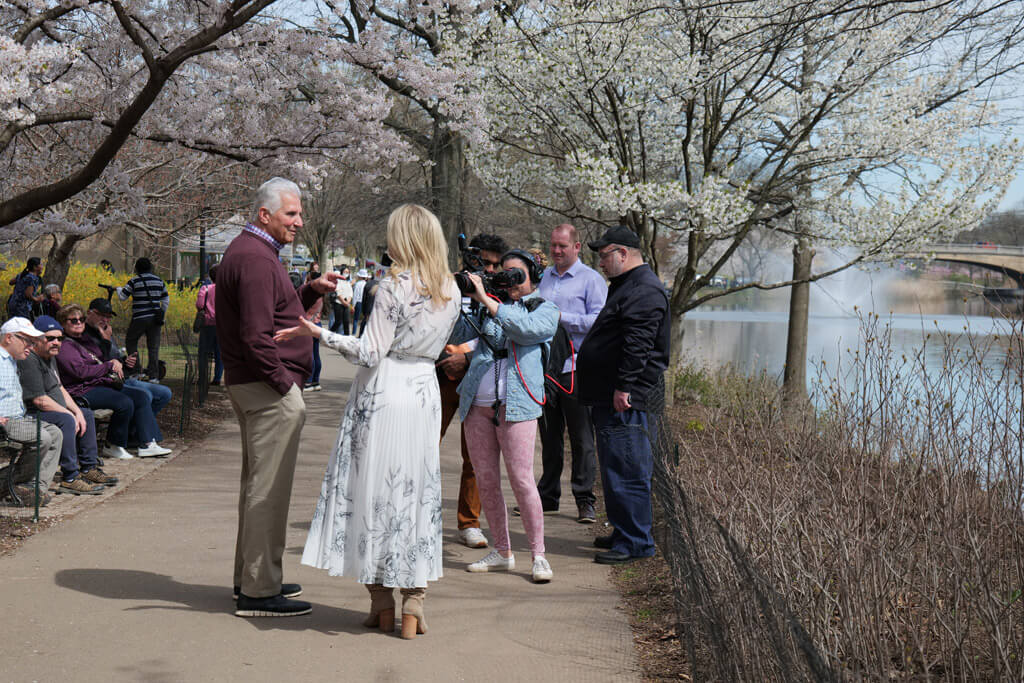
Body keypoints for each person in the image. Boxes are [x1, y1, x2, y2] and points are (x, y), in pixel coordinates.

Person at [279, 204, 460, 640]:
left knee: (371, 490)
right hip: (422, 394)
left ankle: (380, 600)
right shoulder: (450, 289)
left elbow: (370, 352)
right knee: (415, 492)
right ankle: (413, 600)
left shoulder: (392, 287)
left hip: (383, 392)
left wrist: (319, 333)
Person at [216, 177, 340, 618]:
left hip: (257, 383)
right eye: (291, 214)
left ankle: (253, 578)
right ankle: (257, 589)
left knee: (257, 487)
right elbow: (255, 334)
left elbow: (273, 311)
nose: (299, 222)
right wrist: (285, 384)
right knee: (267, 491)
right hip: (267, 387)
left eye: (299, 213)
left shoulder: (254, 253)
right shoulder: (253, 258)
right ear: (264, 215)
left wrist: (311, 290)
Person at [454, 249, 559, 584]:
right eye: (505, 273)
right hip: (478, 403)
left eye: (518, 274)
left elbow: (525, 331)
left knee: (522, 480)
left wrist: (489, 300)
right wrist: (469, 300)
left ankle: (539, 555)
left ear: (534, 277)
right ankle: (502, 550)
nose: (510, 280)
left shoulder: (546, 309)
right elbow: (460, 338)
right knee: (485, 479)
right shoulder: (489, 306)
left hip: (518, 404)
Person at [576, 225, 670, 565]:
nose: (600, 263)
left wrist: (625, 387)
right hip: (611, 394)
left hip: (625, 399)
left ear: (623, 254)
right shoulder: (628, 286)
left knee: (628, 468)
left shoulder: (644, 290)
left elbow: (639, 347)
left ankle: (636, 542)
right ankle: (623, 530)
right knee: (614, 466)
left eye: (604, 256)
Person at [437, 233, 508, 549]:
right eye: (485, 262)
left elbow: (504, 337)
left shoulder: (503, 295)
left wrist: (465, 358)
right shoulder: (445, 285)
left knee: (477, 456)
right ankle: (415, 512)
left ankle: (469, 523)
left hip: (479, 380)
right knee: (423, 447)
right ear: (470, 258)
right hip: (439, 377)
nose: (490, 270)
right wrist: (445, 358)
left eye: (496, 264)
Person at [534, 223, 607, 523]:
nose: (556, 251)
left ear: (576, 247)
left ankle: (584, 501)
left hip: (575, 370)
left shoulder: (592, 280)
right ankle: (548, 498)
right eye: (553, 245)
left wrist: (560, 318)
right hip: (544, 369)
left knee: (581, 439)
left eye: (562, 246)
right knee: (549, 438)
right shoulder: (543, 278)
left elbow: (599, 321)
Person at [55, 304, 172, 460]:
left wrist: (114, 361)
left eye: (81, 320)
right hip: (80, 390)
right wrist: (109, 366)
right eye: (73, 320)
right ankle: (113, 444)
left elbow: (101, 360)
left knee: (141, 396)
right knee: (124, 402)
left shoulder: (86, 340)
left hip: (98, 383)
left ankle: (148, 443)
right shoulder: (64, 345)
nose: (79, 323)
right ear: (63, 323)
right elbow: (80, 372)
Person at [18, 316, 117, 495]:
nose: (56, 342)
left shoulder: (50, 356)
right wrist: (69, 415)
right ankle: (70, 477)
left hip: (49, 409)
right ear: (36, 339)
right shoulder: (29, 360)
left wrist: (77, 412)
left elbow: (60, 388)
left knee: (86, 414)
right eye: (50, 338)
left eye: (59, 338)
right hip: (30, 414)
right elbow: (39, 400)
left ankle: (88, 468)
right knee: (66, 419)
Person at [84, 298, 173, 444]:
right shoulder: (86, 335)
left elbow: (115, 358)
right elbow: (100, 363)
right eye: (101, 315)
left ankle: (134, 433)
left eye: (108, 317)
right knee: (145, 395)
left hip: (122, 377)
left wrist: (126, 362)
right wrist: (105, 341)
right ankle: (145, 440)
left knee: (164, 393)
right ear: (89, 313)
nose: (105, 320)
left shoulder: (107, 332)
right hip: (107, 382)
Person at [0, 317, 62, 506]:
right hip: (5, 422)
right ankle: (11, 484)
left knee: (56, 434)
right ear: (9, 338)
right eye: (27, 341)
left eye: (33, 342)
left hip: (19, 418)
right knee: (41, 437)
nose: (31, 346)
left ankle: (35, 489)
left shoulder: (13, 361)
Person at [117, 257, 169, 381]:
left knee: (131, 341)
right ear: (150, 268)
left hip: (139, 318)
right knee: (153, 347)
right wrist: (161, 313)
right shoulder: (159, 281)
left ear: (137, 268)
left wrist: (118, 289)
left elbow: (122, 297)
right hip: (155, 320)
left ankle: (136, 371)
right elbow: (166, 300)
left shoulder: (134, 281)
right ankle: (153, 376)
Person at [195, 267, 223, 386]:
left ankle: (202, 377)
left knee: (204, 353)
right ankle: (217, 378)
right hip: (222, 326)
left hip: (207, 324)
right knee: (220, 353)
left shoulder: (205, 289)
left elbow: (200, 305)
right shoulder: (227, 290)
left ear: (210, 276)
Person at [328, 266, 353, 335]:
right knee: (338, 322)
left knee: (346, 322)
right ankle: (330, 335)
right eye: (345, 272)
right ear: (341, 272)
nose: (346, 273)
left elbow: (350, 293)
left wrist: (348, 301)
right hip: (338, 304)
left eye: (348, 272)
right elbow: (338, 293)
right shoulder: (338, 281)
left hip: (346, 304)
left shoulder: (348, 282)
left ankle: (347, 338)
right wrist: (343, 302)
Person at [351, 268, 368, 333]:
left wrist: (353, 305)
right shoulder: (366, 284)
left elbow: (355, 295)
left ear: (360, 276)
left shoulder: (357, 284)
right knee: (364, 319)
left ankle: (354, 333)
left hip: (358, 302)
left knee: (355, 319)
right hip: (365, 303)